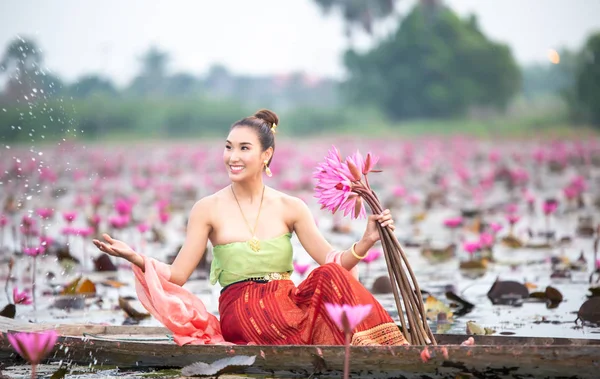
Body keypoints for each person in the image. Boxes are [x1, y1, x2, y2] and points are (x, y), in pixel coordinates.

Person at [93, 109, 408, 347]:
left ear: (266, 155)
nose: (233, 157)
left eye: (244, 148)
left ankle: (388, 348)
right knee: (273, 314)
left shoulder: (291, 206)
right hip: (242, 310)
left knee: (330, 275)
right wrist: (135, 256)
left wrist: (365, 243)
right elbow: (178, 275)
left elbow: (332, 261)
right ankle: (344, 349)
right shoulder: (206, 209)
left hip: (288, 301)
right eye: (229, 147)